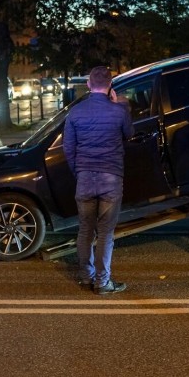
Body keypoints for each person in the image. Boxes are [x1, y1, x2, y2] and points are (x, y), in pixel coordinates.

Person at [63, 66, 133, 295]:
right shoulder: (118, 111)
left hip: (85, 178)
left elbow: (68, 148)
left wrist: (79, 172)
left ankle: (86, 277)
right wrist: (120, 104)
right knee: (105, 233)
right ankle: (102, 283)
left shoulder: (75, 112)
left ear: (89, 85)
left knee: (85, 230)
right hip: (111, 178)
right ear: (110, 86)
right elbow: (129, 134)